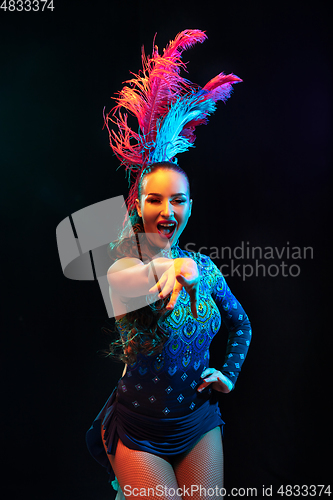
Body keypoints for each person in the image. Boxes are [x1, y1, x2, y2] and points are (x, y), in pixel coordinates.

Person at [85, 30, 251, 499]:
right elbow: (132, 280)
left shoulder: (205, 267)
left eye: (177, 200)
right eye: (154, 200)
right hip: (139, 430)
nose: (167, 210)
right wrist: (169, 270)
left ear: (190, 207)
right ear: (138, 206)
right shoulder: (121, 266)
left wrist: (229, 373)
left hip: (198, 423)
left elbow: (241, 324)